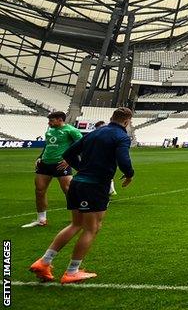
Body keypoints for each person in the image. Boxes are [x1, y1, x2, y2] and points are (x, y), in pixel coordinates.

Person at [29, 107, 134, 284]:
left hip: (78, 182)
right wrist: (129, 174)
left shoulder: (94, 133)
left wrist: (82, 169)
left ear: (111, 118)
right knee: (92, 228)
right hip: (95, 185)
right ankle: (72, 271)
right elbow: (124, 160)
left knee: (76, 224)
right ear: (126, 122)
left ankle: (45, 261)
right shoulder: (121, 136)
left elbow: (68, 153)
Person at [23, 111, 82, 228]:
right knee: (39, 191)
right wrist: (40, 157)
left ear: (60, 120)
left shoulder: (71, 130)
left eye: (51, 120)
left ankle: (79, 218)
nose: (49, 123)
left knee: (69, 191)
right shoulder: (49, 131)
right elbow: (47, 145)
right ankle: (41, 219)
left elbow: (82, 144)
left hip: (61, 164)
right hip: (45, 164)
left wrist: (69, 160)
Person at [90, 121, 117, 196]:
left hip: (107, 159)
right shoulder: (94, 137)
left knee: (106, 175)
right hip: (96, 159)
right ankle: (108, 191)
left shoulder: (111, 135)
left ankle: (108, 190)